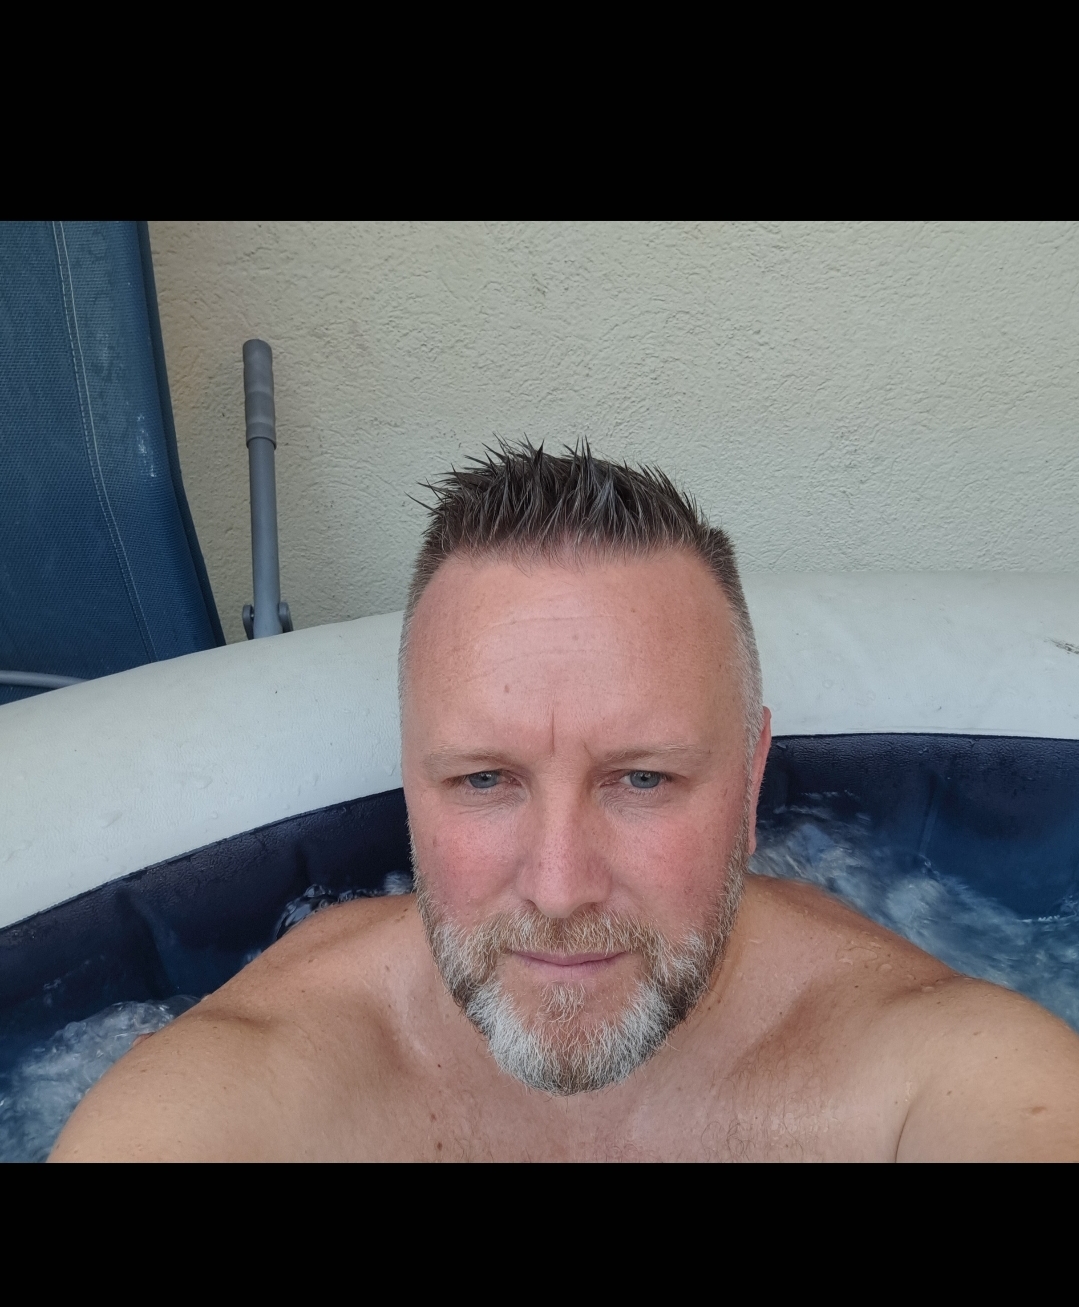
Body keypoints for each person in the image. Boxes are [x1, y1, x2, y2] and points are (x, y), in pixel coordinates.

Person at [53, 443, 1079, 1161]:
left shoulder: (935, 1075)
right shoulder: (241, 1096)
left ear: (750, 778)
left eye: (641, 779)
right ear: (409, 783)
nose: (557, 887)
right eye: (484, 780)